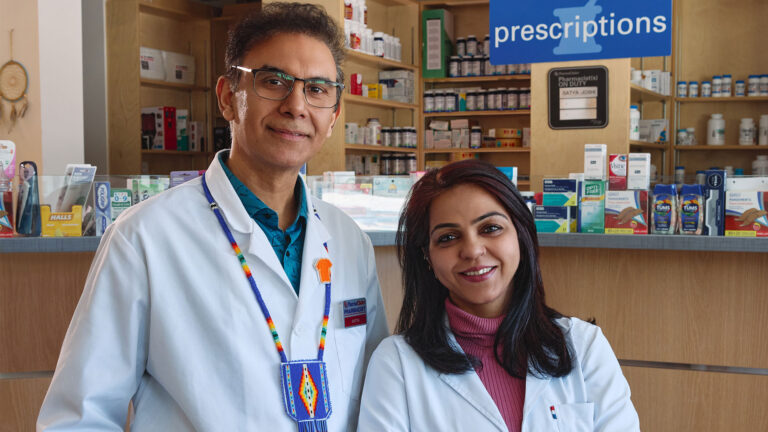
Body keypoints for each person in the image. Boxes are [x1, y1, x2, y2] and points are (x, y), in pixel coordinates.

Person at [37, 3, 388, 431]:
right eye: (273, 82)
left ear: (333, 116)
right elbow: (80, 416)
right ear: (227, 97)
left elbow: (374, 400)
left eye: (317, 89)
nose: (296, 105)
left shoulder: (351, 242)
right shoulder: (144, 237)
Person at [358, 160, 639, 431]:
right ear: (427, 257)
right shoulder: (396, 365)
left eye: (490, 228)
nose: (472, 250)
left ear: (520, 233)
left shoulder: (584, 347)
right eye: (447, 238)